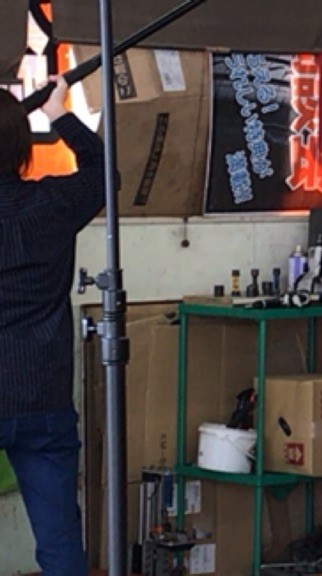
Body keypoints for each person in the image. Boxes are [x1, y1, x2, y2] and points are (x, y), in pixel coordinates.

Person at [0, 76, 105, 575]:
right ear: (23, 149)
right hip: (43, 393)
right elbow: (102, 173)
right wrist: (60, 113)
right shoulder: (52, 203)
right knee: (60, 539)